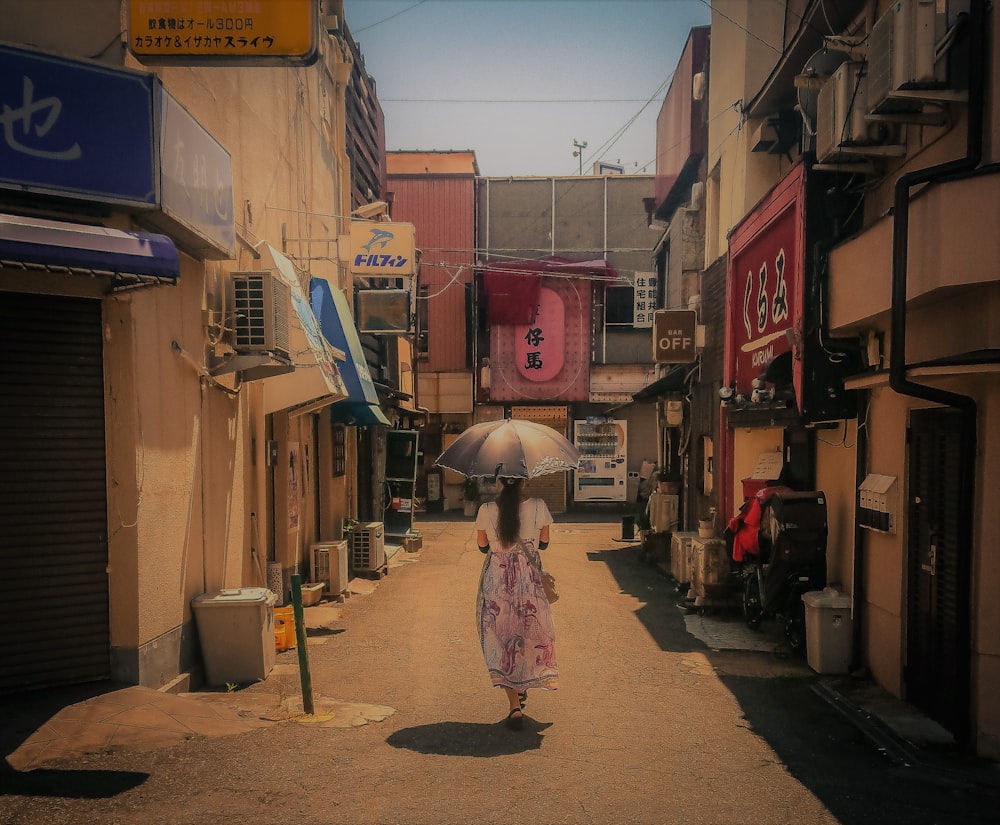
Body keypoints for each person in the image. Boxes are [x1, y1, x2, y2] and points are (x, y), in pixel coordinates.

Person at [475, 476, 558, 730]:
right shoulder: (539, 506)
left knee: (502, 639)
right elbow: (544, 543)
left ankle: (514, 705)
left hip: (497, 581)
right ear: (525, 481)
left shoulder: (486, 510)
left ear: (499, 481)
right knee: (530, 636)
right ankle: (523, 684)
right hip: (529, 581)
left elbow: (482, 546)